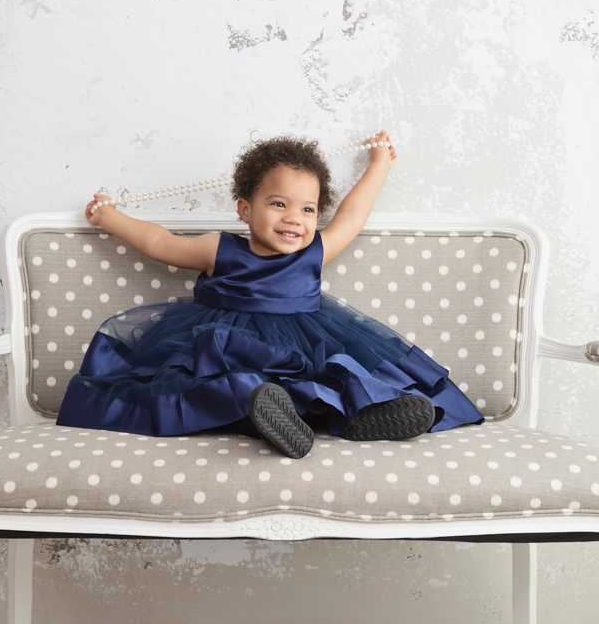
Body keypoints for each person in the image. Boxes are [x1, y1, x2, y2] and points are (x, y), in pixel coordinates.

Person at [56, 132, 483, 458]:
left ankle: (361, 417)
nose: (293, 219)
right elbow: (160, 242)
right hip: (227, 338)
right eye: (278, 204)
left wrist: (380, 164)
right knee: (226, 382)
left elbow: (352, 216)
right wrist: (111, 217)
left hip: (306, 337)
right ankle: (266, 415)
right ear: (246, 209)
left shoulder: (315, 251)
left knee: (336, 375)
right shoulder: (219, 248)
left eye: (307, 209)